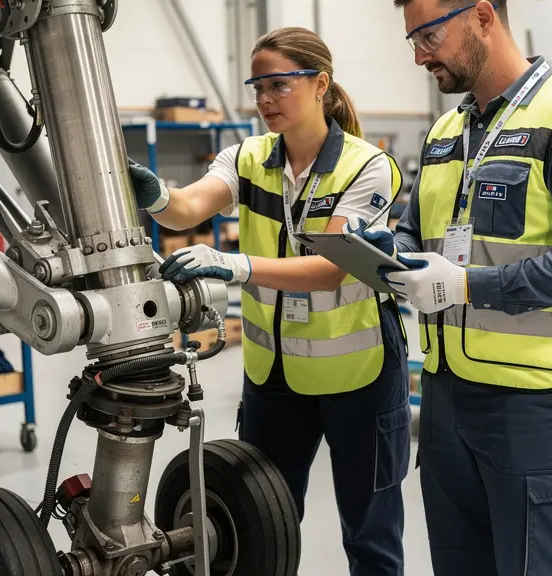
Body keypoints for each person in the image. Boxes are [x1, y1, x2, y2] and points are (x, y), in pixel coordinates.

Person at [346, 1, 552, 575]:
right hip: (445, 397)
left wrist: (469, 285)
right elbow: (416, 232)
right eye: (411, 41)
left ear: (483, 15)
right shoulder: (444, 132)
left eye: (428, 35)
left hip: (537, 405)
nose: (418, 56)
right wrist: (385, 251)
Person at [127, 26, 411, 576]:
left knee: (370, 531)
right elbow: (189, 208)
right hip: (274, 379)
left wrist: (238, 265)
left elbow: (334, 269)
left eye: (278, 85)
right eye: (257, 87)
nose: (264, 100)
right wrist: (159, 195)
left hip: (360, 376)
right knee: (260, 524)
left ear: (320, 84)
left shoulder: (367, 166)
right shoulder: (248, 157)